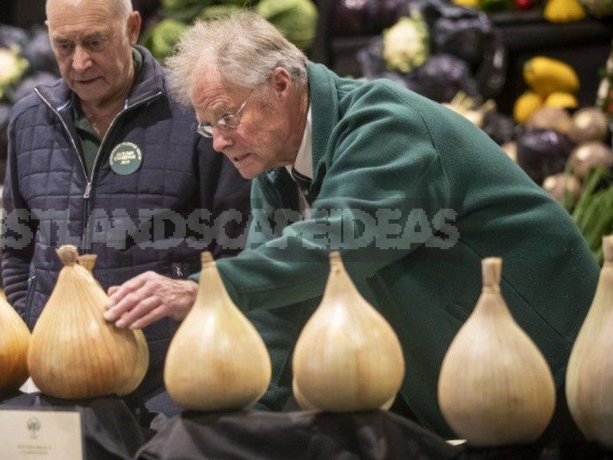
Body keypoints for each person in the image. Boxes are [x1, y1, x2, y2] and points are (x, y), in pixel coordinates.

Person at [104, 12, 600, 437]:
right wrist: (239, 423)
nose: (218, 142)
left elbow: (339, 241)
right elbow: (276, 311)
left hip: (554, 370)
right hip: (468, 393)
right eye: (208, 126)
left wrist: (204, 290)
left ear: (281, 84)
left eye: (228, 118)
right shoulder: (275, 174)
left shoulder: (385, 125)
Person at [0, 0, 251, 410]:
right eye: (64, 45)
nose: (79, 63)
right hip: (61, 377)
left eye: (95, 42)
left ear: (132, 28)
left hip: (174, 381)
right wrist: (30, 323)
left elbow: (237, 244)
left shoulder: (191, 111)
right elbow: (16, 244)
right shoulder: (30, 120)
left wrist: (193, 300)